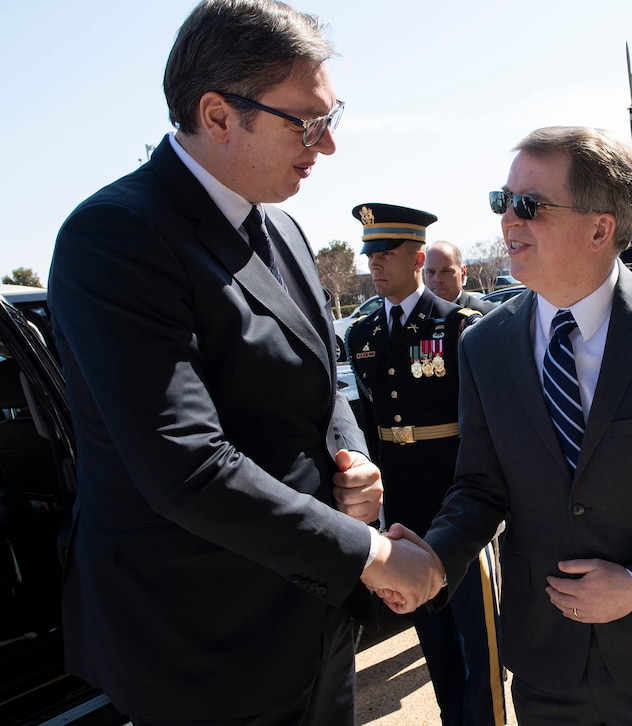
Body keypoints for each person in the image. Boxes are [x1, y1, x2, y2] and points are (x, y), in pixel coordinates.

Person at [47, 2, 439, 723]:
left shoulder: (281, 227)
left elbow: (326, 381)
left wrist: (352, 464)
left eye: (332, 119)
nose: (325, 147)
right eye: (307, 122)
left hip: (308, 619)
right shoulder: (115, 237)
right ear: (219, 115)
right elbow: (187, 465)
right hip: (203, 642)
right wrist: (370, 554)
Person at [354, 125, 632, 725]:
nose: (508, 222)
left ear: (600, 226)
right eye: (503, 202)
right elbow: (479, 488)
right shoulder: (485, 345)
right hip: (547, 670)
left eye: (529, 206)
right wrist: (432, 563)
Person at [346, 204, 505, 725]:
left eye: (385, 254)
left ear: (417, 258)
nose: (374, 264)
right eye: (370, 253)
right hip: (405, 510)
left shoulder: (459, 326)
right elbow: (371, 428)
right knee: (434, 641)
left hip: (456, 503)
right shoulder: (363, 336)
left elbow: (485, 428)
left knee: (479, 641)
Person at [424, 240, 498, 313]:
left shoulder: (490, 314)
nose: (437, 279)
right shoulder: (416, 315)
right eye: (431, 272)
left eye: (446, 271)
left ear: (463, 272)